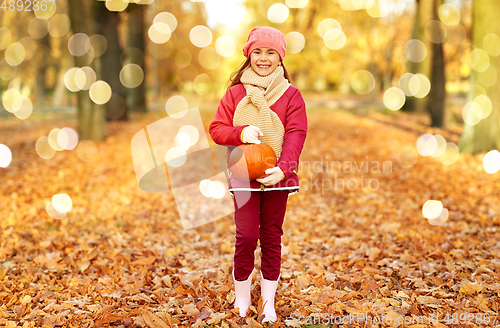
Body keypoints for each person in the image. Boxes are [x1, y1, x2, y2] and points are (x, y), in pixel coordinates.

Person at [209, 26, 307, 323]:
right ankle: (242, 300)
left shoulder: (291, 95)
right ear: (248, 55)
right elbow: (216, 129)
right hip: (243, 175)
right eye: (258, 52)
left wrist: (284, 168)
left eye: (270, 52)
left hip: (278, 177)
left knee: (271, 237)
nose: (263, 58)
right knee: (247, 235)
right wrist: (240, 132)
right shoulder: (235, 93)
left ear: (280, 58)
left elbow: (295, 133)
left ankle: (267, 302)